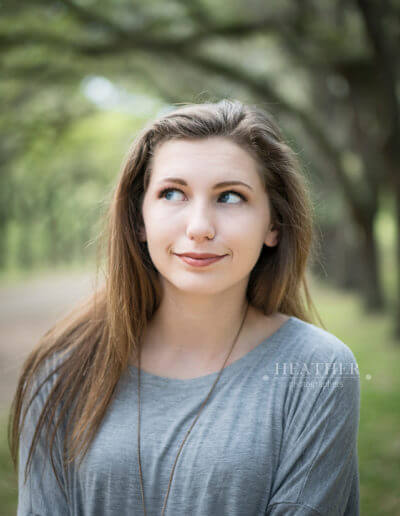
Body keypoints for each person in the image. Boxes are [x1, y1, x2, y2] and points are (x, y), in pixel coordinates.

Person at [9, 99, 360, 515]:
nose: (199, 228)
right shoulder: (62, 369)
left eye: (230, 197)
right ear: (139, 219)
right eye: (172, 193)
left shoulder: (317, 372)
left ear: (274, 225)